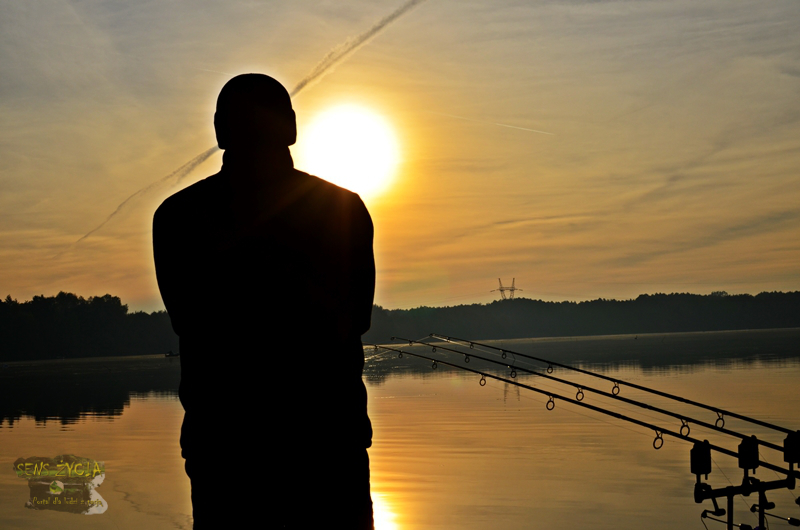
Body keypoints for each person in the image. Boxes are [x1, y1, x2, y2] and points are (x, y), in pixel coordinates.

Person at [153, 74, 376, 529]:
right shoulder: (345, 209)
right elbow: (356, 320)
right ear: (291, 129)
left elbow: (187, 321)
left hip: (226, 452)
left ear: (218, 132)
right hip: (327, 446)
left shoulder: (176, 219)